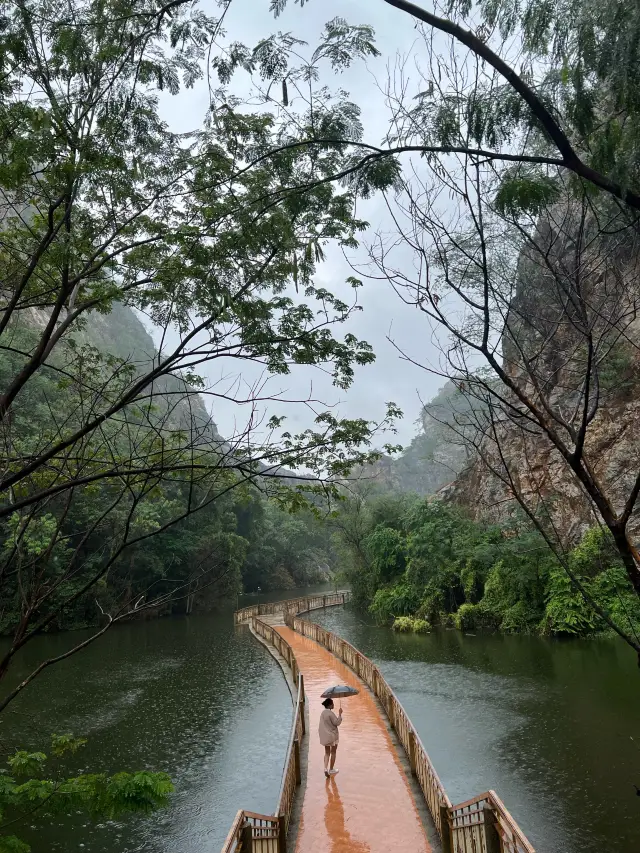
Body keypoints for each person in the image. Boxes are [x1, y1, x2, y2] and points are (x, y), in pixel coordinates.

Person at [319, 697, 342, 777]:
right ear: (329, 705)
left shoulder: (323, 713)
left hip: (326, 736)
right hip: (333, 736)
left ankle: (325, 768)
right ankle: (331, 769)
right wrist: (340, 714)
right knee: (333, 752)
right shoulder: (330, 713)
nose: (333, 705)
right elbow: (337, 723)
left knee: (327, 753)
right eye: (332, 703)